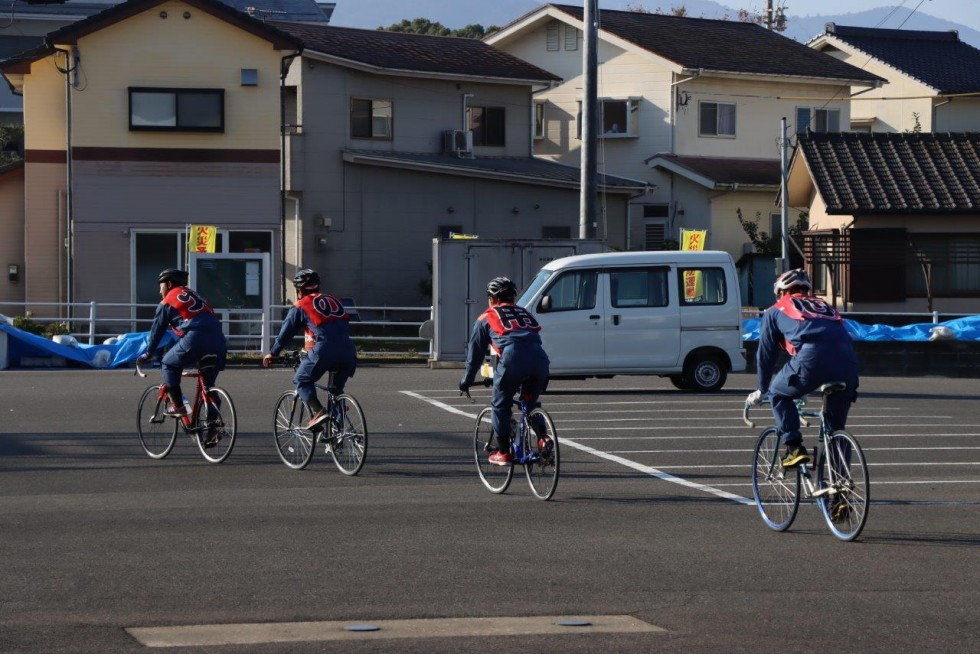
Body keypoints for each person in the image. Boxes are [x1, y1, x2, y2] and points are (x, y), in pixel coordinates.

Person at [747, 268, 859, 468]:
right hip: (848, 361)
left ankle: (794, 448)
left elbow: (766, 354)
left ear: (781, 292)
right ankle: (840, 492)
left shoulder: (776, 310)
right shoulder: (825, 306)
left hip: (812, 358)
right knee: (835, 429)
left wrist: (761, 388)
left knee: (777, 394)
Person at [459, 277, 550, 465]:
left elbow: (474, 356)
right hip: (540, 359)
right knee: (529, 403)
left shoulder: (486, 317)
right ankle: (543, 438)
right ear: (513, 298)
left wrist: (466, 380)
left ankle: (503, 452)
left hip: (513, 358)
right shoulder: (523, 312)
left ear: (492, 298)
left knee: (500, 405)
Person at [261, 269, 357, 430]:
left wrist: (274, 353)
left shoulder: (301, 305)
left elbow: (286, 332)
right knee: (336, 390)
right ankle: (341, 431)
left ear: (299, 290)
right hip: (348, 350)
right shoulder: (333, 299)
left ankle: (318, 412)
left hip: (325, 349)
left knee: (302, 380)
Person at [138, 268, 227, 437]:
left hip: (196, 338)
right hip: (218, 341)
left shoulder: (168, 300)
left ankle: (178, 405)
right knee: (208, 386)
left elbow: (157, 330)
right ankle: (213, 428)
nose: (159, 290)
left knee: (168, 363)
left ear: (169, 284)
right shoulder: (197, 296)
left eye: (161, 286)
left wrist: (148, 353)